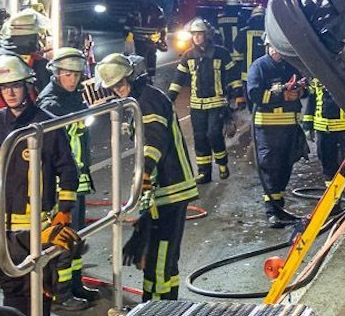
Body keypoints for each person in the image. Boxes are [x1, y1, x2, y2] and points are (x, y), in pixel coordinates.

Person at [0, 53, 79, 313]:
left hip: (36, 225)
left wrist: (64, 211)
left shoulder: (46, 123)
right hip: (1, 224)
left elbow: (67, 168)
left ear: (28, 86)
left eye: (15, 86)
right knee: (10, 288)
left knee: (38, 290)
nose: (10, 93)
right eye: (4, 88)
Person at [94, 53, 199, 298]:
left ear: (131, 76)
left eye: (120, 85)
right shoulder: (138, 98)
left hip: (171, 189)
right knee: (153, 255)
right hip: (159, 191)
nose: (117, 91)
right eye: (112, 88)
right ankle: (151, 301)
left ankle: (162, 307)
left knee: (162, 255)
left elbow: (154, 141)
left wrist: (145, 172)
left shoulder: (147, 101)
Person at [39, 48, 100, 311]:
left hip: (78, 180)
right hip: (61, 184)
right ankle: (61, 294)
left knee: (76, 237)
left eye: (76, 74)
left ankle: (75, 283)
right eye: (67, 74)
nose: (73, 80)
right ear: (56, 74)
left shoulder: (74, 99)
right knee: (61, 240)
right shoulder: (50, 104)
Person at [244, 47, 307, 228]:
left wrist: (299, 91)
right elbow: (254, 93)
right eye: (273, 48)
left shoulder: (290, 65)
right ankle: (272, 212)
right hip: (268, 129)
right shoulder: (259, 67)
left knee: (285, 166)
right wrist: (281, 94)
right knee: (270, 168)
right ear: (267, 46)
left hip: (289, 126)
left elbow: (305, 88)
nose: (277, 52)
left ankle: (279, 209)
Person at [170, 19, 235, 183]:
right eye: (194, 35)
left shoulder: (221, 53)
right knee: (200, 138)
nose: (197, 38)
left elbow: (233, 75)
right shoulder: (188, 56)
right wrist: (169, 98)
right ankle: (204, 173)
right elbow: (178, 78)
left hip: (216, 103)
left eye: (200, 34)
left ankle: (222, 164)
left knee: (214, 135)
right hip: (196, 105)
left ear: (206, 35)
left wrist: (238, 94)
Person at [307, 78, 345, 196]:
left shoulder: (344, 70)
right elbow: (312, 99)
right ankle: (333, 201)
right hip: (323, 128)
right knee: (328, 166)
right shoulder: (314, 70)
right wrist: (308, 124)